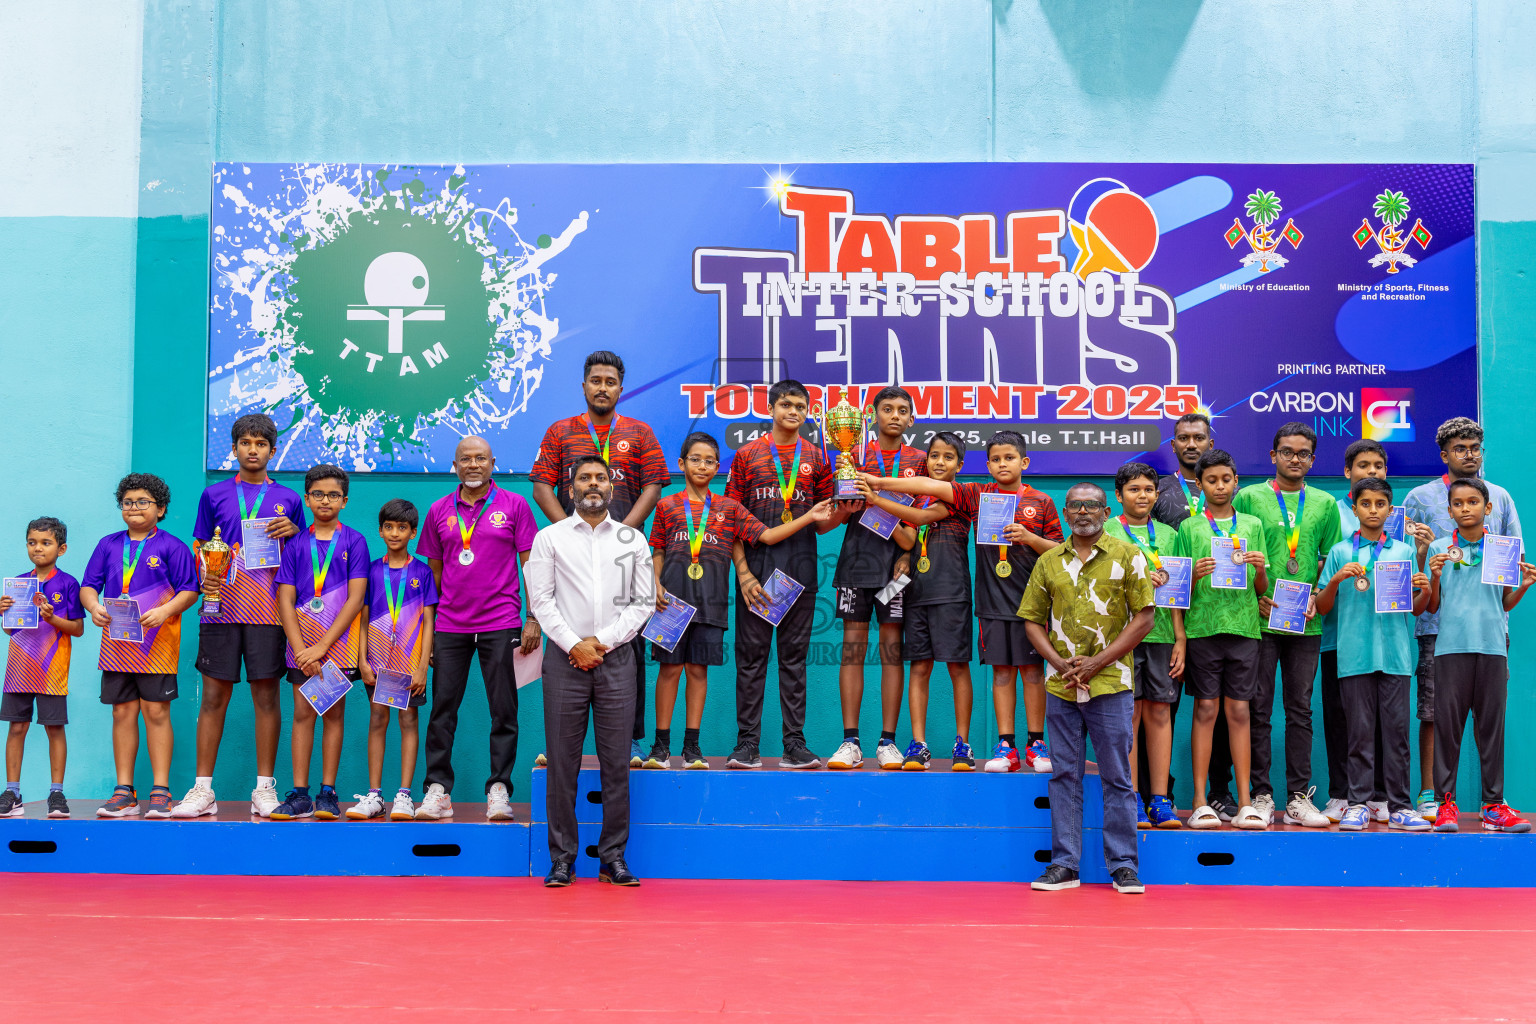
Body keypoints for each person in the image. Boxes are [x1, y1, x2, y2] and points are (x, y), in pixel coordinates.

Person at [862, 430, 1062, 774]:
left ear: (1024, 462)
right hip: (986, 602)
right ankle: (1001, 745)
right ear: (986, 465)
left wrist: (1030, 538)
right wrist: (878, 483)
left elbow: (1061, 550)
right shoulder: (976, 494)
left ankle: (1032, 742)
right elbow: (927, 491)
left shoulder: (1040, 502)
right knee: (996, 674)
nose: (1002, 464)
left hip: (1028, 604)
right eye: (996, 459)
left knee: (1031, 672)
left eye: (1009, 458)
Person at [644, 433, 830, 769]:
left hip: (710, 604)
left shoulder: (730, 508)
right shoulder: (666, 506)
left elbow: (769, 535)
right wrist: (655, 582)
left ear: (718, 468)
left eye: (710, 460)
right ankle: (660, 747)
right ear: (681, 463)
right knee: (669, 671)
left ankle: (692, 748)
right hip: (669, 604)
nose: (703, 465)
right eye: (696, 459)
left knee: (698, 672)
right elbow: (657, 549)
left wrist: (810, 516)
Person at [530, 350, 671, 767]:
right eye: (596, 380)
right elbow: (542, 487)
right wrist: (572, 532)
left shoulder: (640, 432)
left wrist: (619, 532)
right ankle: (561, 744)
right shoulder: (560, 432)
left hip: (624, 549)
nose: (603, 387)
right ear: (584, 385)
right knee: (565, 637)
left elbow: (653, 487)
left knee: (628, 641)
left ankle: (630, 740)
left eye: (610, 381)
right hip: (570, 549)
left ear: (620, 388)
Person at [1021, 483, 1155, 895]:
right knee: (1065, 775)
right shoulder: (1048, 561)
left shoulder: (1128, 555)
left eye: (1092, 505)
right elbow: (1031, 620)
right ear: (1065, 511)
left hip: (1111, 684)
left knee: (1117, 776)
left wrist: (1098, 661)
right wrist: (1058, 663)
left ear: (1106, 509)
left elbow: (1145, 618)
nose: (1083, 512)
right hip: (1062, 686)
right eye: (1076, 505)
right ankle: (1064, 865)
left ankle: (1124, 866)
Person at [527, 456, 655, 887]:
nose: (593, 484)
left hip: (616, 658)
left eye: (600, 477)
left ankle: (612, 858)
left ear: (612, 488)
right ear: (571, 488)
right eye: (584, 478)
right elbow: (541, 601)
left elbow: (643, 601)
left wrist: (603, 643)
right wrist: (574, 644)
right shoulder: (549, 539)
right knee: (562, 764)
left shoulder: (632, 539)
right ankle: (562, 859)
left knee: (616, 763)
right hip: (564, 658)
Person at [174, 413, 306, 819]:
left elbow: (304, 557)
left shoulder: (290, 499)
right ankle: (202, 790)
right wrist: (205, 574)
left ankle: (265, 789)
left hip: (269, 613)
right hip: (221, 609)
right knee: (213, 697)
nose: (253, 450)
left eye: (261, 444)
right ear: (233, 448)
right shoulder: (213, 496)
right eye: (245, 443)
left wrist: (295, 532)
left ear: (273, 450)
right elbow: (201, 546)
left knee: (266, 697)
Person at [416, 435, 540, 821]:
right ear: (454, 465)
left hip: (501, 622)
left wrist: (533, 618)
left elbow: (530, 568)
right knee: (442, 710)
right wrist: (431, 633)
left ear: (493, 463)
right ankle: (438, 790)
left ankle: (499, 788)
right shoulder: (439, 510)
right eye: (465, 459)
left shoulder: (515, 505)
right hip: (451, 625)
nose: (473, 464)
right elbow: (435, 575)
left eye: (480, 458)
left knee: (503, 710)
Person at [1404, 417, 1521, 821]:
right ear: (1444, 454)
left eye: (1474, 447)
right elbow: (1407, 563)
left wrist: (1518, 592)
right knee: (1436, 716)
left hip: (1488, 633)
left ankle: (1493, 803)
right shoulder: (1420, 498)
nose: (1468, 454)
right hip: (1439, 631)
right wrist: (1426, 565)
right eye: (1459, 448)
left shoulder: (1502, 497)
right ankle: (1434, 797)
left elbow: (1509, 569)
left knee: (1490, 723)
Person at [723, 380, 836, 769]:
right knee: (751, 660)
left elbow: (821, 524)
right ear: (770, 408)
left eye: (801, 406)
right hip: (755, 574)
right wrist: (743, 574)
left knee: (794, 660)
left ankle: (794, 745)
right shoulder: (747, 455)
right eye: (786, 404)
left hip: (800, 574)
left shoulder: (818, 458)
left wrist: (848, 505)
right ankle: (747, 745)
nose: (793, 411)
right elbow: (728, 519)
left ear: (807, 412)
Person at [1231, 422, 1339, 828]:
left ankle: (1297, 798)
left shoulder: (1325, 503)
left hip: (1305, 623)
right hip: (1259, 620)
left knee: (1300, 710)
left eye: (1304, 453)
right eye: (1287, 452)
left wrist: (1316, 594)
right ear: (1273, 455)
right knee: (1258, 708)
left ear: (1313, 459)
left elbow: (1328, 557)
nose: (1295, 459)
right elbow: (1234, 551)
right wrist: (1253, 594)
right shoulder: (1249, 497)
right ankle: (1260, 795)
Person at [1314, 478, 1432, 832]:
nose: (1373, 510)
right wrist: (1335, 580)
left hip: (1395, 657)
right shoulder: (1338, 551)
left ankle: (1399, 805)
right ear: (1355, 509)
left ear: (1389, 509)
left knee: (1396, 734)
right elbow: (1321, 608)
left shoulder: (1404, 552)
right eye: (1366, 504)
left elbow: (1415, 610)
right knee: (1359, 734)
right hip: (1353, 657)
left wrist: (1424, 589)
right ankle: (1358, 804)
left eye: (1381, 504)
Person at [80, 474, 199, 818]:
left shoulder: (172, 547)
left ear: (160, 509)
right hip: (116, 645)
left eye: (143, 502)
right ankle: (124, 791)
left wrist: (164, 611)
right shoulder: (108, 544)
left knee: (157, 713)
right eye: (128, 502)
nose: (134, 508)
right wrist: (93, 607)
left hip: (158, 647)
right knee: (121, 712)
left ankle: (160, 790)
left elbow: (189, 590)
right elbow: (89, 586)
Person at [857, 432, 977, 770]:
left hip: (952, 594)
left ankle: (963, 743)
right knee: (920, 667)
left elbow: (924, 520)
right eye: (934, 456)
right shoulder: (913, 501)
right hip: (916, 594)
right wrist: (907, 558)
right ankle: (919, 743)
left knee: (957, 667)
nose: (940, 462)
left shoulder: (963, 494)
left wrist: (876, 493)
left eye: (948, 457)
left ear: (960, 464)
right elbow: (910, 535)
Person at [1424, 477, 1534, 833]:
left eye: (1473, 502)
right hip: (1450, 650)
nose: (1465, 508)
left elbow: (1504, 603)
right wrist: (1435, 576)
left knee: (1491, 729)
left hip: (1491, 648)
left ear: (1487, 508)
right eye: (1458, 503)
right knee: (1447, 729)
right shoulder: (1441, 547)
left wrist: (1525, 586)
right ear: (1450, 509)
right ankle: (1445, 806)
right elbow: (1432, 606)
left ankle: (1493, 806)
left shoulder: (1502, 548)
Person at [827, 386, 925, 770]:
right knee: (852, 651)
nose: (895, 416)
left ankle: (887, 741)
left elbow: (926, 520)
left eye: (903, 410)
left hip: (896, 568)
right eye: (888, 409)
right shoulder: (850, 456)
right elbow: (835, 514)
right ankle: (850, 741)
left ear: (911, 419)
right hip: (856, 563)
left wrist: (907, 552)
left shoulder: (919, 459)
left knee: (891, 651)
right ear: (873, 416)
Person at [1173, 450, 1270, 830]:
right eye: (1211, 480)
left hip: (1245, 629)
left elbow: (1261, 588)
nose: (1219, 486)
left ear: (1235, 482)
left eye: (1225, 479)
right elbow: (1177, 590)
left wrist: (1260, 568)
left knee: (1240, 712)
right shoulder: (1190, 528)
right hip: (1202, 630)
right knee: (1206, 711)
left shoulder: (1252, 524)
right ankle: (1199, 801)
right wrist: (1194, 574)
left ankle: (1246, 802)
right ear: (1200, 484)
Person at [271, 465, 369, 821]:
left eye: (333, 495)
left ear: (344, 500)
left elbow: (356, 599)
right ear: (307, 499)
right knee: (301, 713)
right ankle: (300, 794)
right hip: (301, 645)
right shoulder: (296, 544)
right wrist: (300, 649)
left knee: (333, 712)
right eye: (317, 494)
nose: (325, 500)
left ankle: (328, 793)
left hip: (337, 646)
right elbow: (285, 600)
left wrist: (322, 648)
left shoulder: (354, 541)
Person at [1103, 463, 1182, 829]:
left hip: (1163, 634)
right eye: (1134, 489)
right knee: (1129, 716)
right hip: (1124, 638)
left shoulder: (1169, 533)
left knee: (1160, 713)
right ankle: (1131, 796)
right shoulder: (1107, 532)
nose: (1143, 495)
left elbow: (1177, 590)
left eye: (1149, 489)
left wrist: (1180, 637)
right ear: (1119, 495)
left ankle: (1160, 797)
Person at [349, 499, 438, 821]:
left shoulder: (423, 572)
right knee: (377, 720)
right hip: (376, 661)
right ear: (380, 530)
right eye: (389, 526)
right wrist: (362, 661)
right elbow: (361, 617)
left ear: (413, 532)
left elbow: (429, 621)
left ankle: (404, 795)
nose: (395, 532)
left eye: (402, 527)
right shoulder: (371, 570)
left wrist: (420, 667)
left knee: (409, 721)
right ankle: (374, 795)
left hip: (409, 663)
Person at [0, 518, 83, 818]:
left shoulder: (69, 583)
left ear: (61, 548)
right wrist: (4, 615)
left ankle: (56, 793)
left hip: (53, 672)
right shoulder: (19, 583)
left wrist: (51, 618)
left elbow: (77, 629)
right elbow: (11, 631)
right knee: (16, 727)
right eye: (32, 542)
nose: (38, 548)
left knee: (54, 728)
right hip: (19, 670)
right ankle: (13, 793)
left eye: (45, 543)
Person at [1151, 412, 1213, 529]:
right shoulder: (1156, 491)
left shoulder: (1230, 491)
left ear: (1210, 445)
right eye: (1183, 438)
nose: (1191, 445)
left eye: (1199, 438)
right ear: (1174, 446)